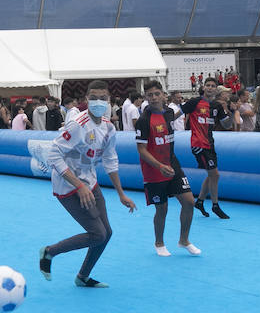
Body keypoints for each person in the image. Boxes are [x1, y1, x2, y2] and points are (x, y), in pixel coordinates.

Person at [38, 81, 136, 288]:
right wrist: (78, 186)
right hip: (67, 185)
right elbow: (53, 155)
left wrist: (121, 194)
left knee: (106, 233)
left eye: (103, 98)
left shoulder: (109, 128)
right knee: (97, 233)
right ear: (86, 100)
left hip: (89, 182)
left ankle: (82, 277)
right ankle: (49, 251)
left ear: (109, 101)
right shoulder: (77, 125)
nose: (98, 102)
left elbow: (110, 160)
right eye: (94, 97)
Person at [135, 80, 200, 257]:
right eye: (150, 95)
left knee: (189, 202)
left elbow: (180, 114)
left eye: (157, 94)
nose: (154, 98)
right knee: (162, 209)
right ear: (146, 98)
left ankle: (184, 240)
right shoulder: (143, 120)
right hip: (154, 170)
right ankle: (159, 243)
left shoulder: (170, 112)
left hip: (173, 165)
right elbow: (141, 150)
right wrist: (159, 166)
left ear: (164, 95)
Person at [183, 77, 230, 219]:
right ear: (203, 87)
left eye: (213, 86)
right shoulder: (195, 102)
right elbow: (179, 112)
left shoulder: (217, 106)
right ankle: (215, 205)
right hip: (198, 144)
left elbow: (227, 125)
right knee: (215, 174)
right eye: (208, 85)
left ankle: (200, 201)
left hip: (210, 144)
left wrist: (230, 111)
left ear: (216, 89)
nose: (210, 88)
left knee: (212, 175)